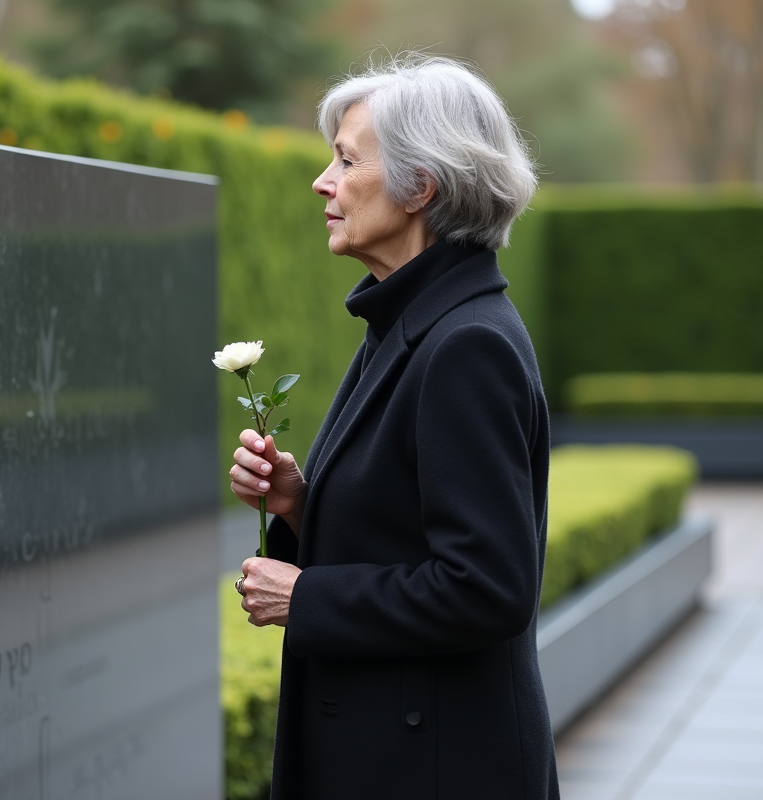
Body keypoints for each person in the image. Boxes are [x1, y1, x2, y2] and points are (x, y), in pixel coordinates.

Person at [228, 54, 559, 799]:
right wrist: (300, 506)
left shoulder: (465, 345)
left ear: (420, 186)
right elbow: (406, 530)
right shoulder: (409, 322)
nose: (323, 182)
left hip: (435, 770)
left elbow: (488, 588)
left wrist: (306, 598)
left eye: (347, 161)